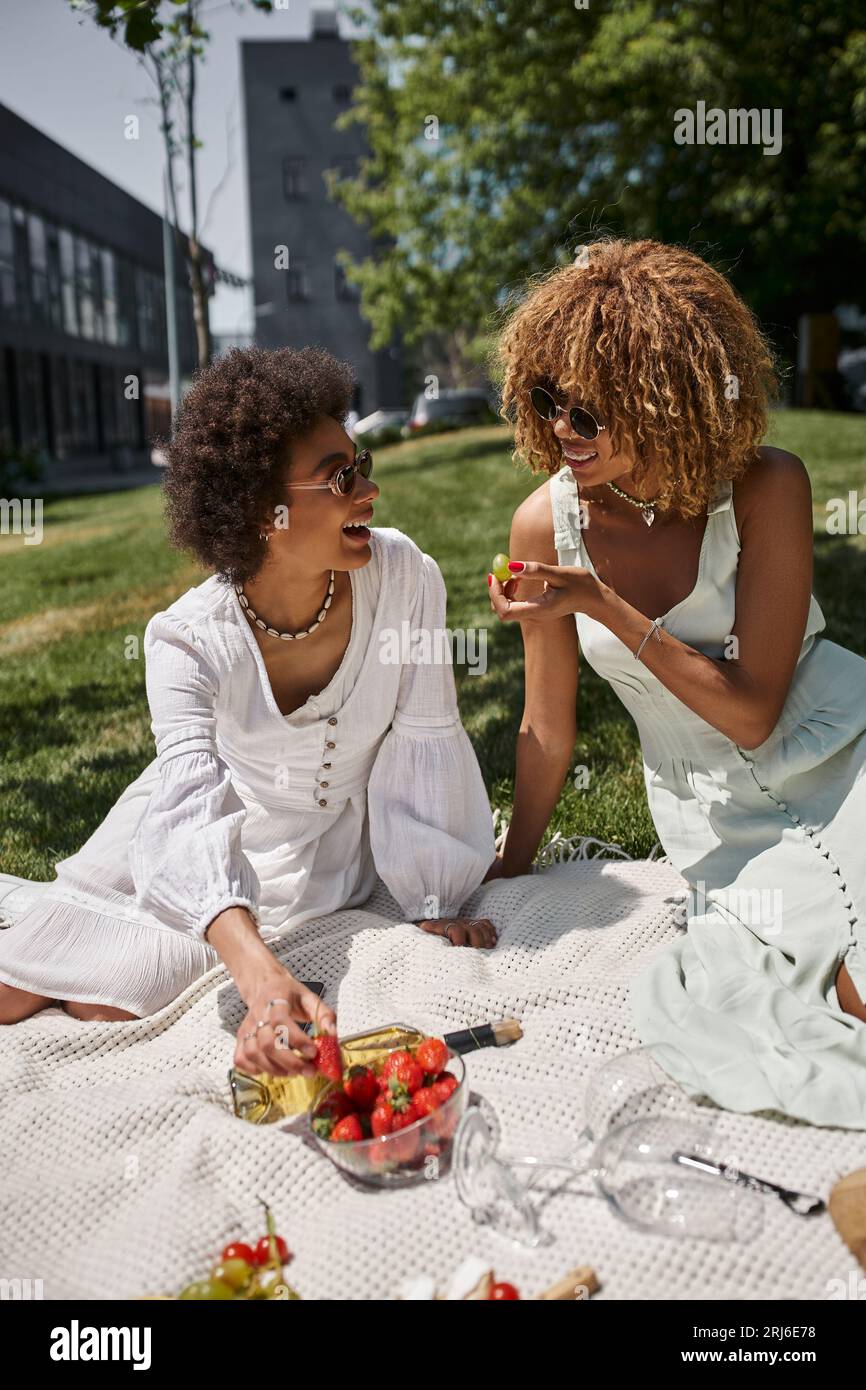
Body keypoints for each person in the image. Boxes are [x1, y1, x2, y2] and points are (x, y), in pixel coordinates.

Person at [0, 347, 497, 1077]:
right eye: (340, 478)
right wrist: (261, 980)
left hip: (329, 853)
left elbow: (425, 734)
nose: (371, 490)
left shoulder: (407, 578)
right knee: (27, 995)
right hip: (201, 840)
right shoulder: (186, 640)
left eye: (359, 463)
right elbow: (190, 806)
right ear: (264, 510)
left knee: (111, 1002)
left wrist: (430, 893)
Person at [486, 238, 866, 1129]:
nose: (563, 430)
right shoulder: (545, 524)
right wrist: (510, 865)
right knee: (820, 989)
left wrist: (603, 605)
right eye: (548, 402)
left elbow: (752, 711)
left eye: (590, 411)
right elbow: (547, 728)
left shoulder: (768, 486)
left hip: (840, 754)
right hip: (713, 820)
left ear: (664, 400)